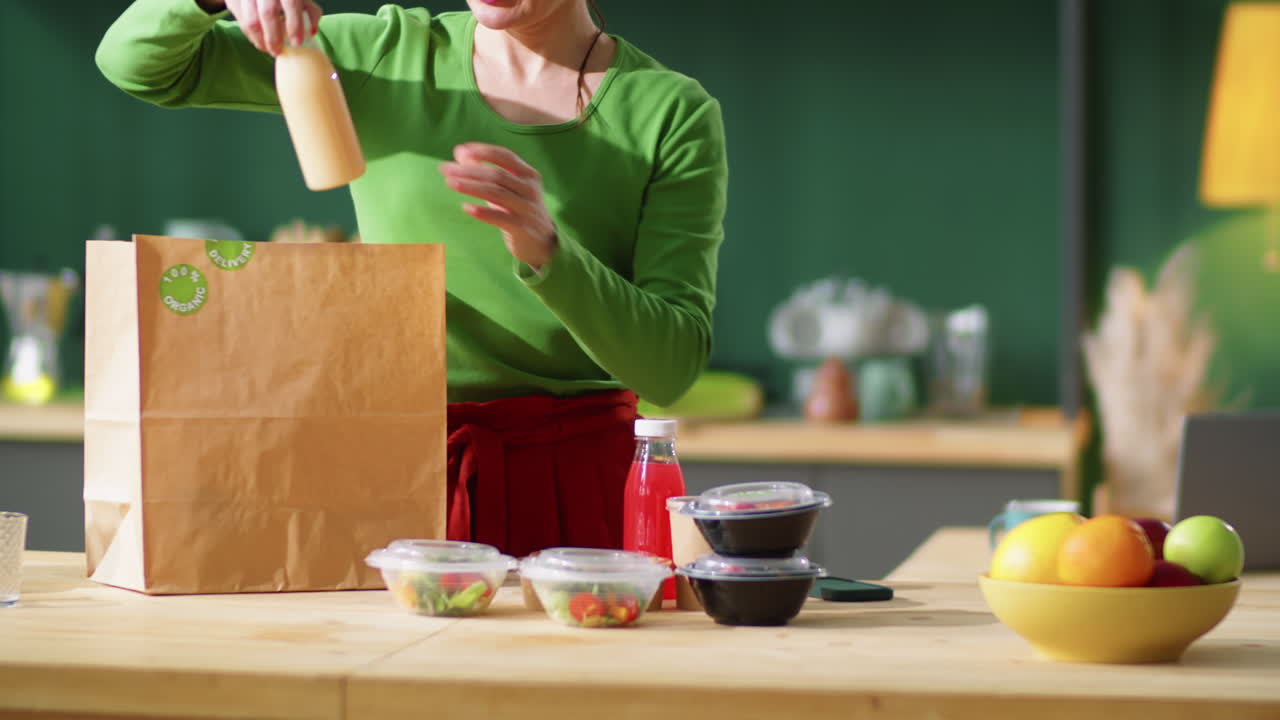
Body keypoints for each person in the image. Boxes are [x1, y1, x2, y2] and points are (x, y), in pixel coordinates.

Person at [96, 0, 728, 559]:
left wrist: (550, 251)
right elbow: (137, 64)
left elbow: (669, 368)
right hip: (390, 469)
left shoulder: (672, 111)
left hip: (578, 486)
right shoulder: (377, 55)